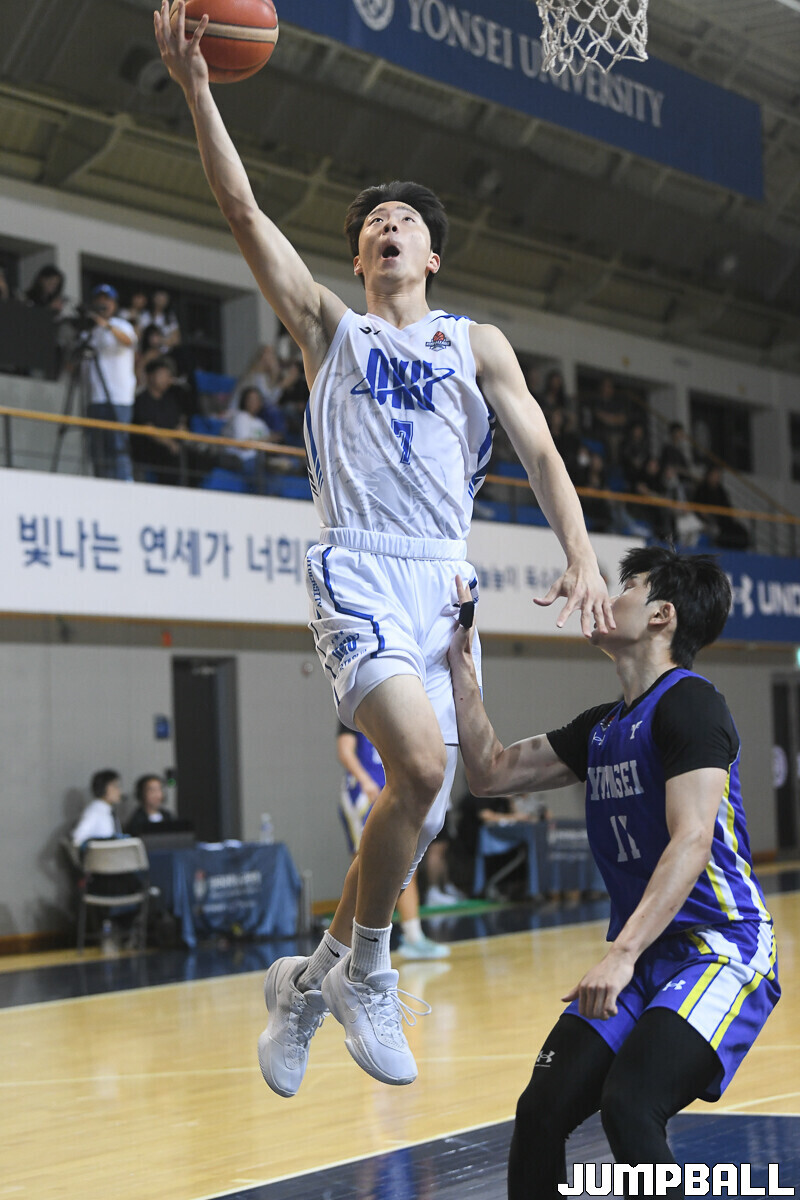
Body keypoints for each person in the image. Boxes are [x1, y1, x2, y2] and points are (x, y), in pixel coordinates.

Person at [156, 1, 611, 1097]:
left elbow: (541, 453)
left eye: (405, 219)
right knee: (420, 767)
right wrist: (199, 91)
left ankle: (306, 987)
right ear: (358, 258)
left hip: (444, 578)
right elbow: (241, 208)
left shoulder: (476, 342)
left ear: (431, 253)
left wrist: (583, 553)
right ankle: (366, 967)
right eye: (373, 224)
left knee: (427, 803)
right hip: (360, 562)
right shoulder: (331, 329)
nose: (388, 227)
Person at [447, 546, 780, 1198]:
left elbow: (693, 840)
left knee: (630, 1104)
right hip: (646, 954)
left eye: (627, 586)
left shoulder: (692, 704)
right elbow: (489, 772)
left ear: (661, 615)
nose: (608, 595)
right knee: (540, 1110)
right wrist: (462, 665)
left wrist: (621, 953)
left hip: (721, 947)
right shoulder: (601, 729)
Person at [336, 724, 449, 959]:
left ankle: (413, 936)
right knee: (363, 866)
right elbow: (345, 751)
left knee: (406, 860)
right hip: (364, 793)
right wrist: (365, 781)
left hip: (392, 788)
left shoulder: (400, 711)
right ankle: (350, 943)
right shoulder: (356, 710)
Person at [82, 283, 137, 480]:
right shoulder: (89, 331)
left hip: (120, 398)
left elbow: (129, 341)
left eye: (107, 300)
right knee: (98, 449)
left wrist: (105, 324)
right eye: (100, 299)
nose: (103, 303)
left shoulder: (121, 325)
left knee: (118, 446)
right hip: (95, 398)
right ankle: (101, 486)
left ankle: (124, 486)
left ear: (114, 304)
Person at [132, 355, 187, 484]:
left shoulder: (170, 400)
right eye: (162, 375)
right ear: (150, 376)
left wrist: (182, 429)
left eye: (168, 375)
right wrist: (169, 443)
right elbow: (148, 429)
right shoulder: (142, 399)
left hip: (170, 451)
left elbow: (179, 422)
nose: (166, 379)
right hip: (148, 450)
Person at [71, 769, 124, 847]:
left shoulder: (110, 811)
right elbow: (77, 838)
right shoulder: (94, 811)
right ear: (104, 788)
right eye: (115, 786)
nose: (119, 791)